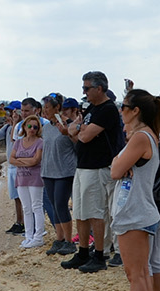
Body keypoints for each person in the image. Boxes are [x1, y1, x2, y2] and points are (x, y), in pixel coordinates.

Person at [108, 89, 160, 291]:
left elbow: (114, 170)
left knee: (136, 274)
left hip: (135, 213)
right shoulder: (148, 137)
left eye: (123, 106)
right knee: (142, 272)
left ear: (136, 111)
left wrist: (119, 160)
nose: (120, 110)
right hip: (141, 211)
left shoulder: (140, 138)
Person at [57, 71, 122, 272]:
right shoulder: (91, 108)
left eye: (86, 88)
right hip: (83, 165)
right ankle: (83, 251)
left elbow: (83, 135)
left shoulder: (107, 109)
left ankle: (100, 254)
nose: (84, 92)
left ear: (99, 88)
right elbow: (73, 130)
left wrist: (79, 128)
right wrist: (79, 128)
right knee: (80, 211)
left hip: (98, 166)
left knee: (96, 211)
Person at [41, 96, 79, 255]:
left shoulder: (69, 125)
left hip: (64, 171)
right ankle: (60, 238)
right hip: (48, 171)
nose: (44, 111)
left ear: (57, 108)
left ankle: (69, 241)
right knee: (54, 205)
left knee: (61, 204)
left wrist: (68, 131)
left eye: (47, 108)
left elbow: (78, 144)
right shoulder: (47, 127)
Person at [10, 115, 46, 249]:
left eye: (35, 127)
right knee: (26, 208)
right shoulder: (18, 142)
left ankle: (38, 236)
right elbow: (11, 159)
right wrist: (25, 162)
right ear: (24, 127)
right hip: (21, 178)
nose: (32, 129)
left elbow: (35, 161)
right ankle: (28, 236)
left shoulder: (40, 142)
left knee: (37, 206)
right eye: (29, 126)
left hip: (35, 178)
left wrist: (20, 161)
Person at [0, 101, 24, 235]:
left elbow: (17, 139)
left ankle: (25, 224)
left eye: (12, 112)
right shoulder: (8, 127)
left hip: (21, 166)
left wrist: (15, 123)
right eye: (9, 112)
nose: (10, 114)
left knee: (23, 197)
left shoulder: (25, 126)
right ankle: (18, 222)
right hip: (11, 166)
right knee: (16, 197)